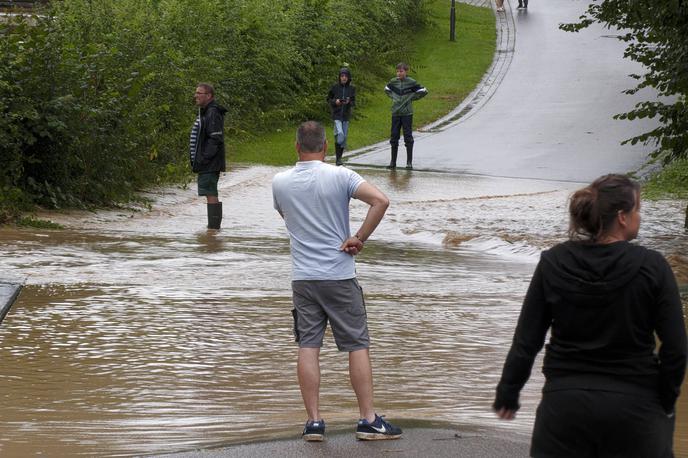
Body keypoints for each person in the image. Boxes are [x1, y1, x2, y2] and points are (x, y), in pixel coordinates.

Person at [493, 174, 687, 457]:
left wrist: (509, 390)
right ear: (622, 217)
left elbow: (527, 339)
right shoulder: (653, 267)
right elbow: (676, 348)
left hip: (565, 407)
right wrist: (665, 401)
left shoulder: (554, 262)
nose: (639, 216)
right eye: (637, 209)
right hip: (635, 407)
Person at [272, 121, 402, 443]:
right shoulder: (341, 175)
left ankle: (314, 422)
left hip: (303, 277)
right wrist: (358, 237)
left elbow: (287, 217)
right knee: (357, 344)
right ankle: (368, 420)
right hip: (339, 274)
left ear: (296, 145)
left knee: (308, 346)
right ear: (326, 146)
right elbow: (381, 201)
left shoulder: (280, 182)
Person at [189, 83, 227, 230]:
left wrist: (204, 158)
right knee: (209, 192)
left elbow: (215, 138)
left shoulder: (212, 112)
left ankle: (213, 229)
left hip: (209, 162)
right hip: (206, 162)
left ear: (209, 96)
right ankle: (213, 228)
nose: (196, 96)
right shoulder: (206, 111)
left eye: (199, 93)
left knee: (210, 192)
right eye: (196, 93)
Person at [384, 62, 427, 170]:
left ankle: (409, 163)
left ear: (406, 72)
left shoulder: (411, 82)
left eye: (401, 71)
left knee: (408, 137)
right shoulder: (393, 82)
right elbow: (387, 89)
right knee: (394, 137)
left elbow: (423, 91)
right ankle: (393, 162)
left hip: (407, 114)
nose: (399, 73)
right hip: (395, 113)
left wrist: (412, 98)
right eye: (397, 71)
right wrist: (394, 98)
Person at [327, 67, 356, 166]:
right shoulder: (335, 87)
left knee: (344, 137)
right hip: (337, 115)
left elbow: (353, 102)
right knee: (340, 134)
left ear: (348, 78)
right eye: (342, 76)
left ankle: (338, 159)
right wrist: (336, 101)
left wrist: (349, 102)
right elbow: (328, 99)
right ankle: (338, 158)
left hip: (346, 116)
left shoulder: (352, 89)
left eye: (345, 76)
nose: (343, 78)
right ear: (339, 77)